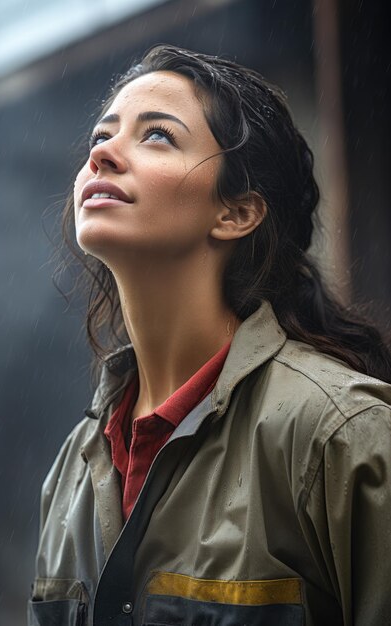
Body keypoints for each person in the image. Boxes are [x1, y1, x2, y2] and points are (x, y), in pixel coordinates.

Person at [28, 45, 391, 626]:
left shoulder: (338, 436)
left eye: (157, 137)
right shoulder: (75, 464)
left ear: (237, 212)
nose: (102, 155)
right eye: (101, 135)